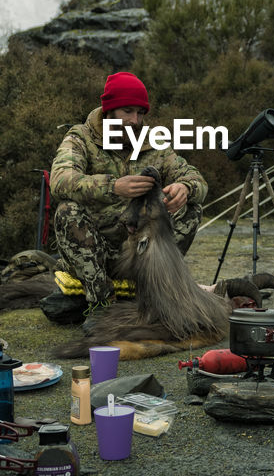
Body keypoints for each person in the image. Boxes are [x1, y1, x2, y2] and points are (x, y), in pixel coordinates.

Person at [48, 71, 207, 307]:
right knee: (67, 210)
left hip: (139, 250)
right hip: (94, 251)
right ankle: (101, 301)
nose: (135, 120)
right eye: (127, 111)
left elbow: (197, 180)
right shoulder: (81, 138)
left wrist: (185, 187)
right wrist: (112, 187)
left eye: (140, 113)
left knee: (192, 208)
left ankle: (155, 287)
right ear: (109, 110)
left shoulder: (154, 143)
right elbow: (60, 179)